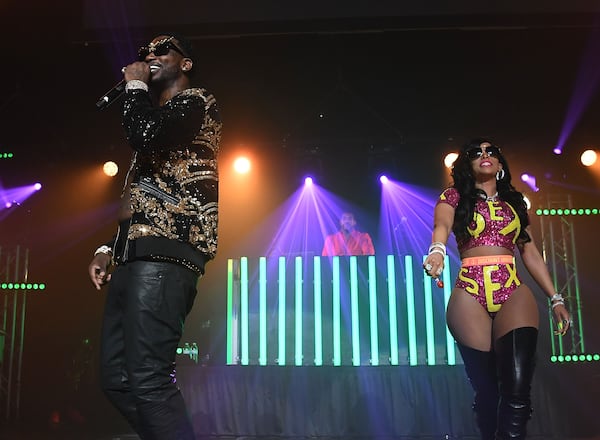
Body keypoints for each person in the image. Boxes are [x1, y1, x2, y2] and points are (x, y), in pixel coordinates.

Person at [87, 33, 221, 440]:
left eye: (163, 49)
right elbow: (141, 198)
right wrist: (109, 247)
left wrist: (135, 85)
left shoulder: (197, 103)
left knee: (147, 380)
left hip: (167, 254)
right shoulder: (157, 118)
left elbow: (145, 134)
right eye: (146, 51)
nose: (150, 55)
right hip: (134, 254)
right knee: (117, 379)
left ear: (186, 63)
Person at [423, 138, 572, 439]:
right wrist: (437, 249)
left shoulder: (515, 202)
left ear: (500, 164)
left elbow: (530, 252)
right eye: (476, 153)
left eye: (491, 151)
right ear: (467, 164)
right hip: (469, 289)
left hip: (511, 288)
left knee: (517, 387)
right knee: (488, 392)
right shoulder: (454, 196)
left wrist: (555, 299)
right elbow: (441, 225)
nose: (484, 155)